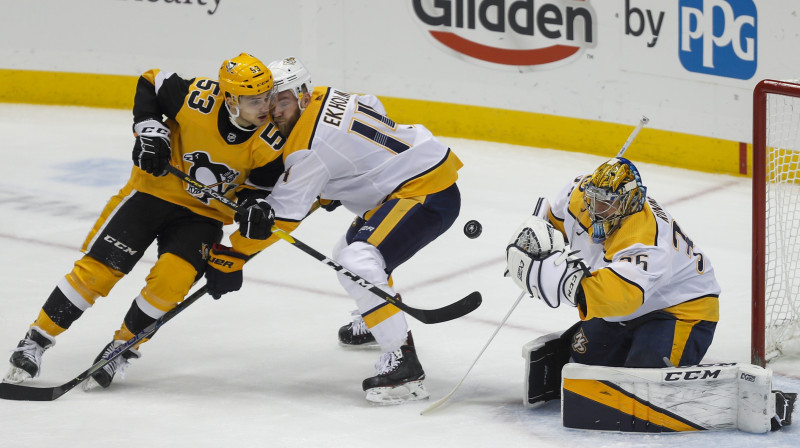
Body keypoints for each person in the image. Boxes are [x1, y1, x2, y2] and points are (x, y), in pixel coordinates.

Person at [5, 53, 286, 390]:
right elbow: (151, 80)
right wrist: (151, 131)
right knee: (99, 270)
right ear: (230, 99)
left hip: (203, 216)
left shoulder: (271, 141)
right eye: (254, 100)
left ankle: (122, 347)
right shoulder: (197, 99)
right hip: (150, 194)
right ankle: (36, 340)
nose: (265, 106)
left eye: (267, 97)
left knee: (172, 280)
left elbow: (257, 191)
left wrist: (255, 211)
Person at [225, 57, 464, 404]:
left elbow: (286, 214)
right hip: (415, 176)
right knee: (346, 253)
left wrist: (241, 241)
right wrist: (352, 167)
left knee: (358, 260)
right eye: (267, 100)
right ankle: (377, 316)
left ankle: (405, 368)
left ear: (303, 96)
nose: (272, 110)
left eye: (283, 100)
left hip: (426, 191)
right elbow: (370, 105)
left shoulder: (307, 148)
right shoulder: (327, 94)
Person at [506, 157, 720, 369]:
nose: (596, 209)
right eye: (593, 198)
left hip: (681, 309)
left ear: (629, 202)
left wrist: (566, 285)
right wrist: (535, 244)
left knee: (643, 376)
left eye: (607, 203)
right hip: (634, 305)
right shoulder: (578, 195)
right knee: (581, 359)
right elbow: (554, 226)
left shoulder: (647, 241)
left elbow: (619, 296)